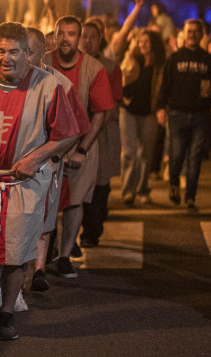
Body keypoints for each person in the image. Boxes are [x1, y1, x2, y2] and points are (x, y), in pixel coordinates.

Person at [0, 22, 81, 340]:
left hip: (24, 184)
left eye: (14, 51)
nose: (6, 58)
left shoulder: (48, 85)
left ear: (27, 54)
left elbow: (68, 133)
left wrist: (35, 158)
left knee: (18, 253)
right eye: (1, 51)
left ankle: (7, 314)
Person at [42, 16, 114, 277]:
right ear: (54, 35)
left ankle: (64, 255)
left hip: (81, 145)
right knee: (44, 201)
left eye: (72, 34)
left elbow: (100, 113)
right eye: (61, 33)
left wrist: (82, 150)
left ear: (78, 37)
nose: (65, 39)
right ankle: (43, 252)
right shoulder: (43, 63)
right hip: (46, 146)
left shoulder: (93, 68)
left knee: (74, 201)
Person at [24, 27, 88, 294]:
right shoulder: (6, 80)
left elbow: (77, 125)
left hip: (48, 162)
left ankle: (38, 270)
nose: (24, 57)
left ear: (43, 51)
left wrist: (57, 154)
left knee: (45, 216)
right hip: (15, 163)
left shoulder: (60, 83)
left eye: (30, 51)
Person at [156, 19, 211, 209]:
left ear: (202, 34)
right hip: (178, 114)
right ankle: (174, 184)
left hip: (201, 115)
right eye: (189, 31)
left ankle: (190, 197)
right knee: (176, 154)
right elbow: (165, 86)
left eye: (196, 31)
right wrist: (161, 108)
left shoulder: (208, 60)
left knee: (195, 158)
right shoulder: (174, 58)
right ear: (184, 34)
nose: (193, 35)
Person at [78, 18, 123, 248]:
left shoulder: (110, 67)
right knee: (77, 184)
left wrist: (93, 130)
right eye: (83, 36)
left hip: (102, 132)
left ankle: (92, 230)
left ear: (100, 40)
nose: (87, 41)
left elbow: (112, 104)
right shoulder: (72, 64)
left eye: (92, 37)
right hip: (77, 132)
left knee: (99, 184)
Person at [120, 29, 167, 204]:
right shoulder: (132, 59)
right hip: (129, 110)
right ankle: (127, 191)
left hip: (149, 112)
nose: (142, 44)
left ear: (154, 44)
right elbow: (123, 80)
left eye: (146, 41)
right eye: (140, 41)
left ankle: (141, 189)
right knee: (129, 152)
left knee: (145, 153)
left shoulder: (160, 65)